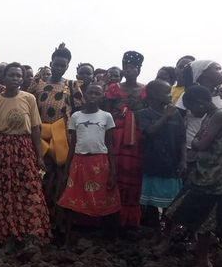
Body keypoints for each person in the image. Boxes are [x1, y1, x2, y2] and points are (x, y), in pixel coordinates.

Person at [161, 86, 222, 267]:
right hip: (204, 173)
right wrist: (197, 143)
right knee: (176, 207)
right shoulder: (209, 116)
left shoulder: (220, 116)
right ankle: (170, 243)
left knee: (207, 222)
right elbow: (199, 141)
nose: (190, 112)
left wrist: (197, 143)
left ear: (199, 103)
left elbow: (201, 143)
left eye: (191, 108)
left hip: (217, 179)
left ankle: (203, 263)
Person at [0, 63, 50, 244]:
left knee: (29, 189)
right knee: (3, 191)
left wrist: (39, 156)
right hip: (3, 149)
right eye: (11, 75)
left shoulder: (29, 98)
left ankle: (31, 234)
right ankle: (4, 235)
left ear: (22, 79)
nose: (15, 79)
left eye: (18, 76)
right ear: (4, 78)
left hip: (24, 147)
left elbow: (36, 128)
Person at [27, 43, 84, 224]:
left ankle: (55, 220)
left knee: (59, 178)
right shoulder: (38, 84)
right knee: (39, 175)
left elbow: (78, 112)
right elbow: (28, 105)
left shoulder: (72, 86)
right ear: (50, 63)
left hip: (61, 139)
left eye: (63, 65)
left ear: (67, 66)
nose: (58, 68)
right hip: (39, 137)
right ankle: (36, 220)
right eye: (56, 64)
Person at [57, 84, 120, 244]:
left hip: (100, 163)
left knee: (104, 199)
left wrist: (113, 171)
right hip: (79, 162)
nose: (93, 96)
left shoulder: (106, 116)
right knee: (71, 199)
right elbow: (73, 144)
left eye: (97, 93)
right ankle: (67, 238)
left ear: (102, 96)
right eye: (90, 93)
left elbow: (110, 144)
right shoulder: (76, 116)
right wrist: (66, 170)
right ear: (84, 95)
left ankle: (109, 239)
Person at [103, 51, 147, 227]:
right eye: (126, 67)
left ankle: (129, 219)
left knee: (133, 173)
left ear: (139, 70)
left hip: (136, 138)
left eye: (133, 68)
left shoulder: (146, 90)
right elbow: (105, 114)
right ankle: (109, 216)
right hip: (115, 135)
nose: (129, 70)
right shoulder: (113, 89)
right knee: (113, 171)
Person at [137, 80, 185, 228]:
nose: (170, 95)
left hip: (172, 164)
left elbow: (182, 139)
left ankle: (168, 231)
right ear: (154, 95)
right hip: (151, 163)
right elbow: (150, 132)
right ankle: (154, 230)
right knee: (151, 202)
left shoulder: (176, 113)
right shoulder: (142, 114)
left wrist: (184, 160)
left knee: (171, 202)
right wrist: (165, 116)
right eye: (166, 92)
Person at [176, 60, 222, 169]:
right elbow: (178, 124)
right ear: (203, 73)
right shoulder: (189, 95)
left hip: (217, 152)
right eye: (217, 69)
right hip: (191, 150)